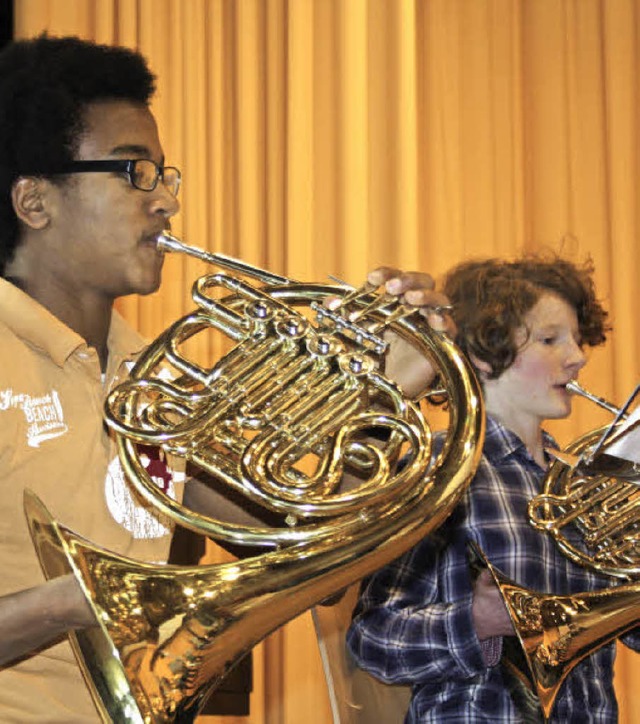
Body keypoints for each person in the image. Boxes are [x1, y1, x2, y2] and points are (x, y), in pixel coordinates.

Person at [0, 34, 451, 721]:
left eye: (163, 175)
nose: (165, 203)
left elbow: (305, 553)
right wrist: (84, 601)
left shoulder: (157, 382)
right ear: (35, 202)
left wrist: (386, 392)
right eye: (131, 172)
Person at [346, 256, 640, 722]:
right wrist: (476, 622)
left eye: (576, 339)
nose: (578, 356)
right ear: (484, 353)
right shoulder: (442, 469)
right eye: (549, 339)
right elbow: (374, 639)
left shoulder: (589, 487)